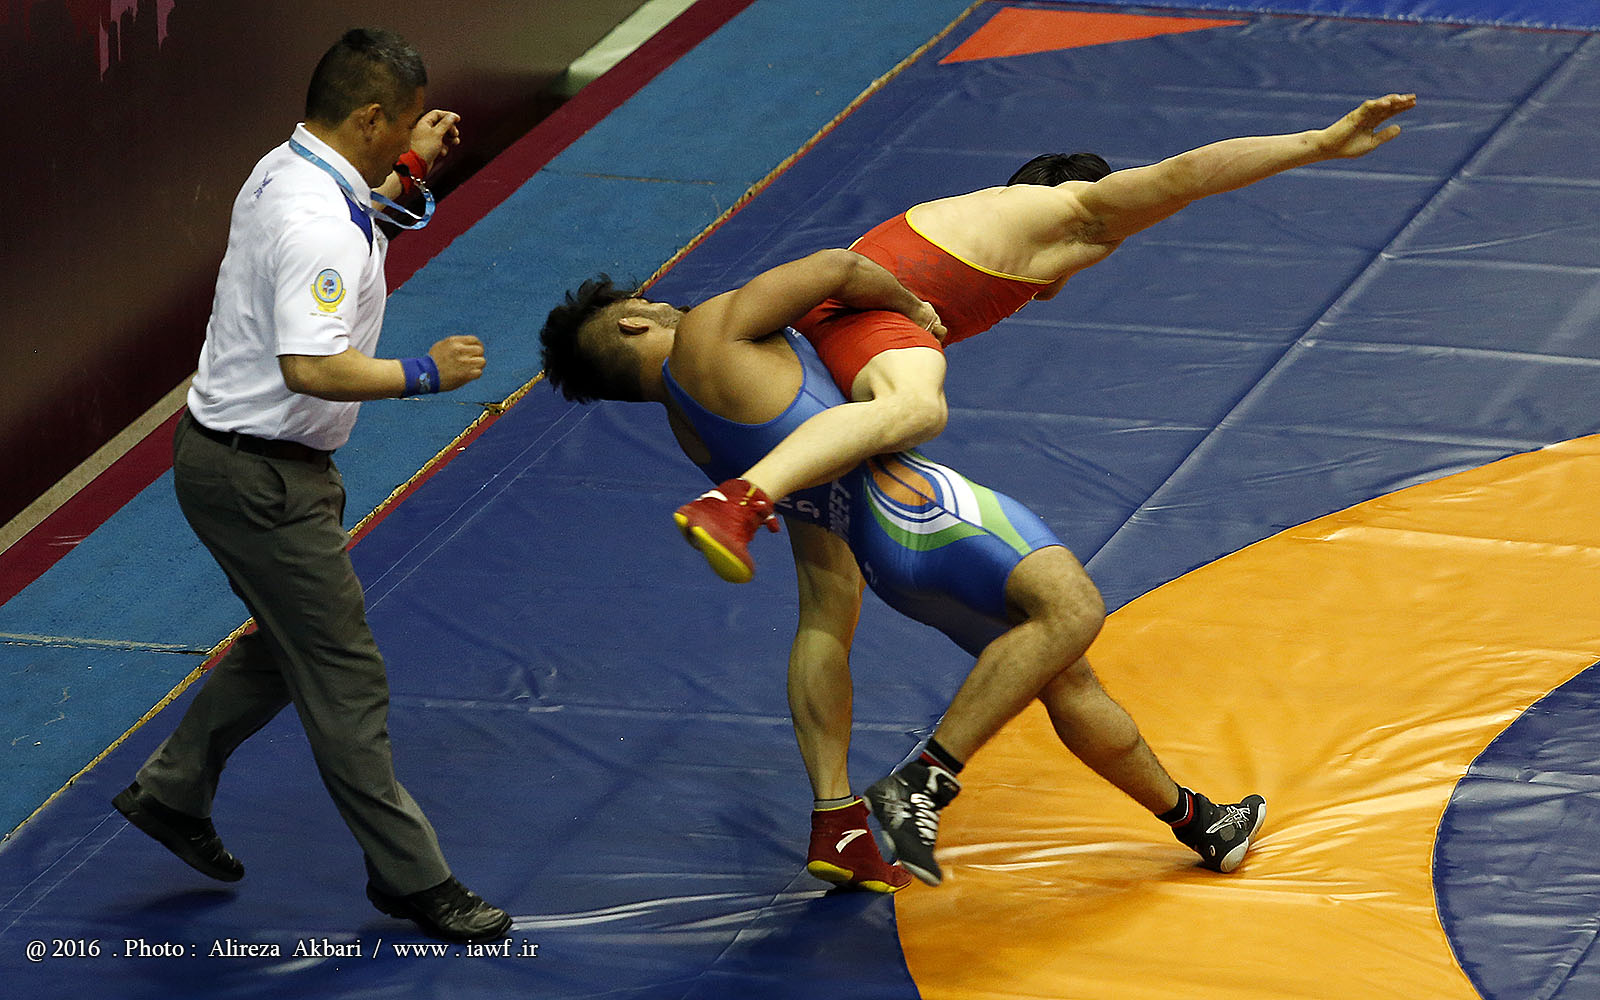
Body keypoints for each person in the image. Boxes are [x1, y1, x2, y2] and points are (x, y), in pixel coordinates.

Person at [538, 250, 1265, 889]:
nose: (666, 302)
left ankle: (1197, 820)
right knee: (1073, 612)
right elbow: (839, 267)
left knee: (1058, 671)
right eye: (648, 301)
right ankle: (925, 778)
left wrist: (833, 804)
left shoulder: (698, 433)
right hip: (924, 510)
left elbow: (823, 599)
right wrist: (912, 306)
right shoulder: (708, 330)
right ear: (632, 322)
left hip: (889, 568)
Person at [669, 94, 1418, 584]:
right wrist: (1317, 143)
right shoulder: (1077, 208)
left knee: (850, 538)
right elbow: (1188, 174)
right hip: (869, 316)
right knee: (919, 409)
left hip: (826, 328)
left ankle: (743, 494)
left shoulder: (991, 217)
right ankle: (739, 500)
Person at [111, 28, 511, 943]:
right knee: (344, 671)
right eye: (402, 123)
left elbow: (358, 220)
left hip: (238, 461)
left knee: (291, 642)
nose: (407, 134)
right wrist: (426, 372)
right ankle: (414, 878)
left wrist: (410, 168)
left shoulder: (288, 167)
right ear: (367, 117)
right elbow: (313, 366)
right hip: (262, 481)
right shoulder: (317, 222)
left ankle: (173, 791)